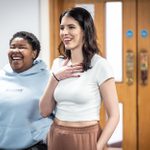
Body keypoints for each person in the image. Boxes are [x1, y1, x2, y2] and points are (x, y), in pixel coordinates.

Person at [40, 7, 119, 150]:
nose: (65, 32)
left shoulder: (100, 65)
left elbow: (114, 116)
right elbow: (44, 111)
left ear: (85, 31)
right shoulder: (57, 63)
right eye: (62, 28)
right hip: (57, 136)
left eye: (71, 27)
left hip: (87, 137)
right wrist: (55, 78)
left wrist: (98, 146)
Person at [0, 31, 82, 150]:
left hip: (34, 145)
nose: (15, 50)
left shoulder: (49, 78)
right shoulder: (1, 76)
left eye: (22, 47)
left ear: (34, 53)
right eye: (12, 47)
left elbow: (63, 114)